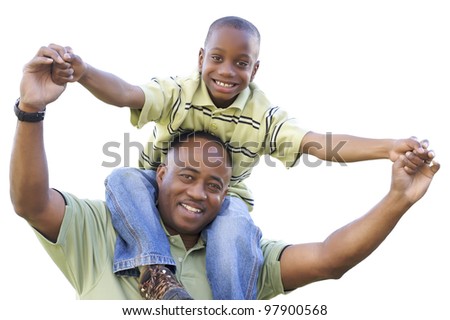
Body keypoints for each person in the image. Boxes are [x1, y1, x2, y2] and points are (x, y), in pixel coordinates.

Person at [48, 16, 433, 300]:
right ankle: (156, 272)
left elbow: (317, 143)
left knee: (235, 227)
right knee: (124, 178)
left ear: (255, 68)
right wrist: (84, 74)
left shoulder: (262, 115)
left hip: (225, 198)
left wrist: (386, 148)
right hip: (155, 189)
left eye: (241, 63)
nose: (227, 72)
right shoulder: (181, 91)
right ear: (200, 58)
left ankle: (232, 307)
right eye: (217, 58)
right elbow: (128, 94)